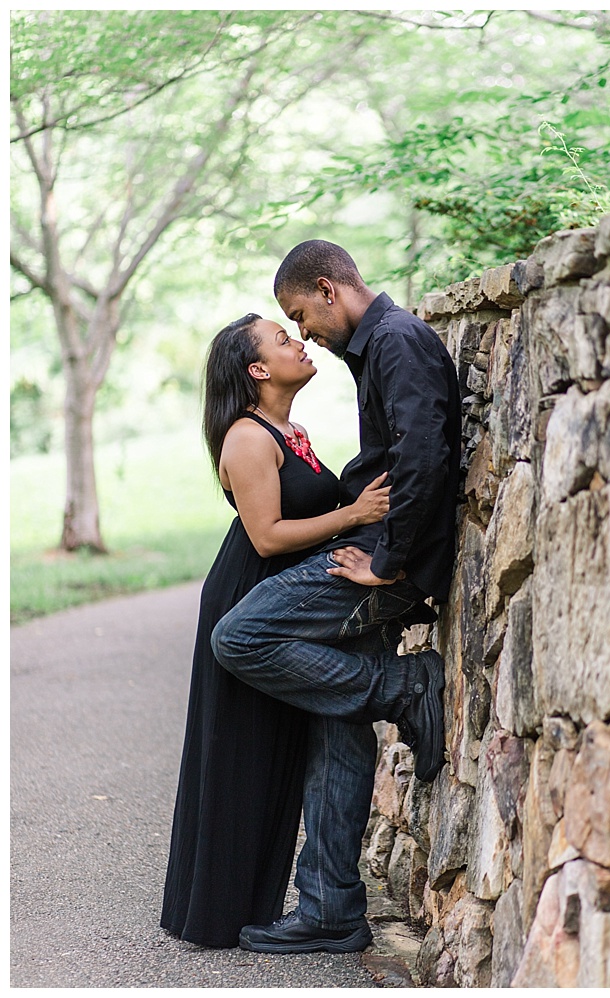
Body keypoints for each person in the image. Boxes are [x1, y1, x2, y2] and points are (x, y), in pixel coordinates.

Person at [209, 240, 462, 954]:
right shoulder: (377, 347)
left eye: (300, 315)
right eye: (287, 326)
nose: (306, 332)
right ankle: (329, 907)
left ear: (327, 289)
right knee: (335, 732)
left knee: (238, 638)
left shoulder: (398, 341)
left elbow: (422, 457)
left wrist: (388, 562)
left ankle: (402, 685)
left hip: (385, 564)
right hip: (372, 554)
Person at [161, 313, 390, 947]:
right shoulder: (248, 436)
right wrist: (355, 514)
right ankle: (218, 912)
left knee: (287, 751)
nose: (301, 341)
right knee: (241, 753)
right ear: (258, 370)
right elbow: (266, 535)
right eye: (283, 339)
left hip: (287, 601)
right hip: (249, 598)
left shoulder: (294, 430)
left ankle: (297, 907)